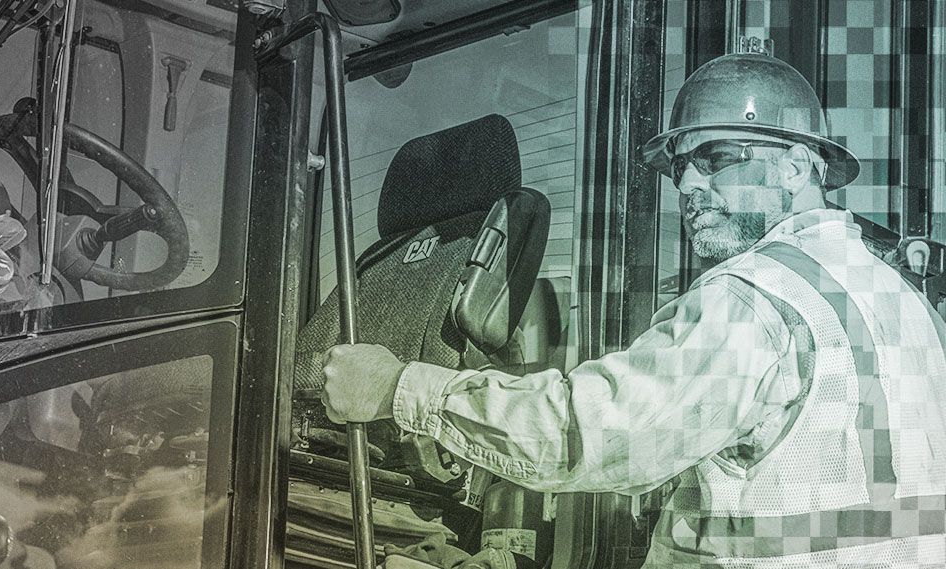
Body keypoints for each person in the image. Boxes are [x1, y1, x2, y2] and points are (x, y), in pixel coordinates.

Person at [321, 52, 946, 568]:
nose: (688, 185)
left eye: (716, 158)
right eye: (680, 167)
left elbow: (593, 434)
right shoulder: (902, 302)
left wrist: (401, 388)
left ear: (796, 165)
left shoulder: (755, 299)